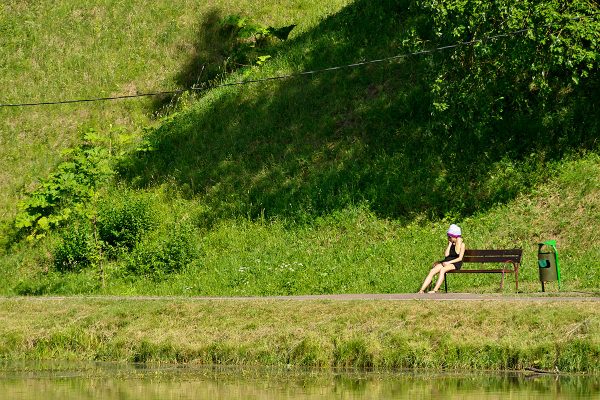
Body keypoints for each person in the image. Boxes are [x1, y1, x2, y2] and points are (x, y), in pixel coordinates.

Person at [418, 224, 465, 294]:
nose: (449, 238)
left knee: (443, 270)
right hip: (447, 261)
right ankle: (421, 290)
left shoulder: (462, 244)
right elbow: (446, 255)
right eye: (448, 237)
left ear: (455, 236)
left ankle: (435, 290)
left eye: (450, 237)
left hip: (455, 263)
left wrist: (458, 242)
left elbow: (460, 258)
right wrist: (449, 244)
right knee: (432, 271)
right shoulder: (451, 243)